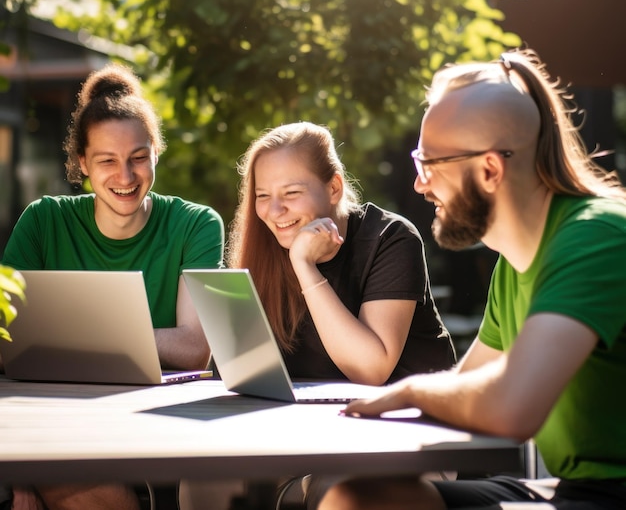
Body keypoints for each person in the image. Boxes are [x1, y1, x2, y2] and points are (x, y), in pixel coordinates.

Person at [317, 47, 626, 510]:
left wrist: (410, 390)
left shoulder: (595, 238)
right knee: (358, 498)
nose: (420, 185)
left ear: (489, 169)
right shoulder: (514, 263)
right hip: (574, 490)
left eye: (428, 164)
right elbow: (471, 386)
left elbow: (511, 405)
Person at [178, 121, 455, 510]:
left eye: (291, 193)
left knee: (337, 487)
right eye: (262, 196)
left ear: (334, 188)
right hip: (305, 433)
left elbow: (369, 368)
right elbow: (242, 374)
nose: (275, 212)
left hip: (402, 434)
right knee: (205, 480)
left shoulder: (391, 239)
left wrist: (305, 267)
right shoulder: (265, 251)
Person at [1, 63, 224, 510]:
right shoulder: (43, 222)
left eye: (138, 157)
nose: (125, 176)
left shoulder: (196, 225)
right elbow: (6, 340)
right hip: (46, 422)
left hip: (148, 424)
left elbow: (195, 348)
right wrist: (17, 467)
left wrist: (63, 341)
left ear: (156, 153)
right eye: (106, 160)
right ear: (82, 163)